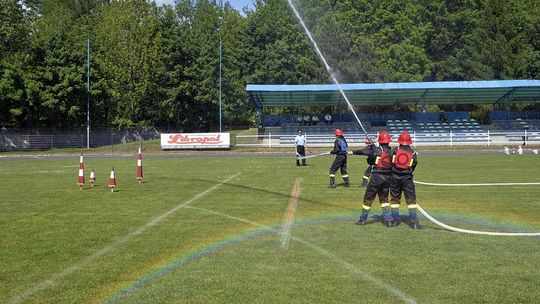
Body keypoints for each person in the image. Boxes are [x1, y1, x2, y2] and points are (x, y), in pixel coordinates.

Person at [350, 131, 393, 226]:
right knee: (384, 199)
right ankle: (388, 220)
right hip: (387, 178)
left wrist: (373, 151)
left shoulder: (376, 150)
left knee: (368, 198)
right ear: (389, 141)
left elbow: (370, 161)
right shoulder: (392, 151)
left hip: (376, 177)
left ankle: (363, 219)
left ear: (380, 141)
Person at [389, 130, 420, 229]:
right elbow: (413, 166)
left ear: (399, 141)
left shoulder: (394, 151)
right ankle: (414, 222)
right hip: (407, 179)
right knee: (411, 200)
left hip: (394, 178)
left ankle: (394, 221)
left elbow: (389, 163)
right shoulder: (413, 153)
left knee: (394, 199)